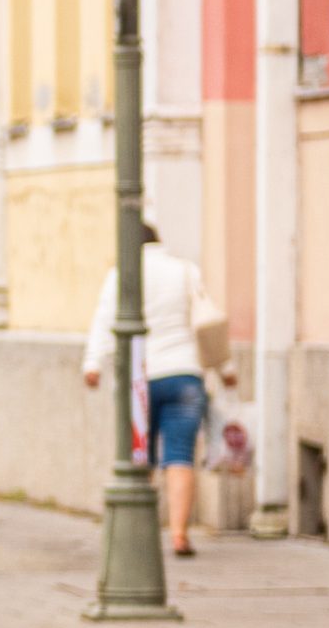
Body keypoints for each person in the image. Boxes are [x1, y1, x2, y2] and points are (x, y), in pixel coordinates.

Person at [82, 220, 234, 558]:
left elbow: (104, 319)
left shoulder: (121, 274)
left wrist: (92, 364)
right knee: (180, 454)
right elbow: (206, 322)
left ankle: (140, 534)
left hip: (140, 379)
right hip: (184, 375)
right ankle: (179, 534)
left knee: (140, 457)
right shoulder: (184, 271)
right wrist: (226, 369)